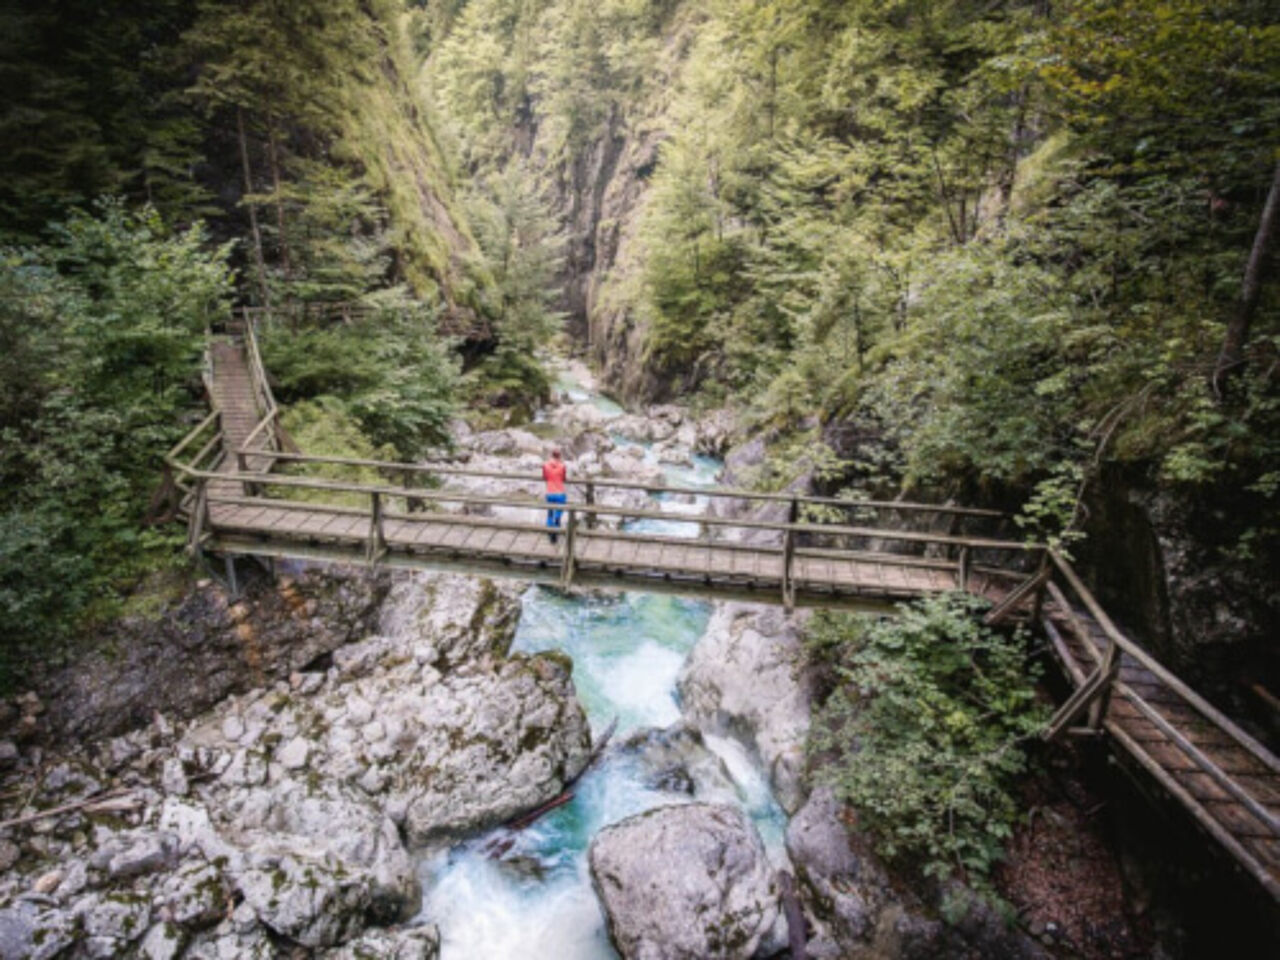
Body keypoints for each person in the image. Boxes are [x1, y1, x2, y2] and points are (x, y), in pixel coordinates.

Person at [542, 447, 567, 543]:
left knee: (550, 512)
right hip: (560, 493)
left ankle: (550, 531)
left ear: (551, 455)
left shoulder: (545, 465)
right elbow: (564, 478)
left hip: (550, 492)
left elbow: (544, 477)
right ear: (559, 456)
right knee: (558, 514)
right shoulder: (562, 466)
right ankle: (555, 532)